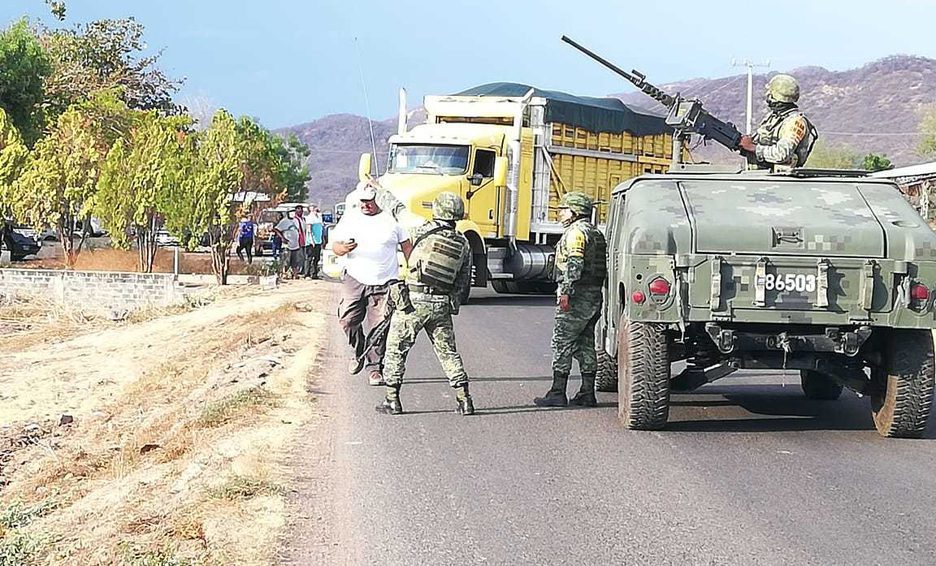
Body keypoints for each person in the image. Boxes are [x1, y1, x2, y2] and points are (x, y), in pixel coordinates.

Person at [378, 192, 474, 416]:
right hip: (440, 304)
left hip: (413, 302)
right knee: (448, 353)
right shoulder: (463, 243)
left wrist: (379, 190)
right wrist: (451, 303)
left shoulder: (421, 229)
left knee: (396, 350)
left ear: (437, 210)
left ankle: (392, 400)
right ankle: (464, 400)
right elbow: (462, 280)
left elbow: (398, 210)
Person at [331, 182, 412, 386]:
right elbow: (335, 247)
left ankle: (375, 368)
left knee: (378, 327)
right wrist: (343, 248)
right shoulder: (350, 217)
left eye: (370, 201)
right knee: (347, 320)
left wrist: (414, 272)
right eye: (363, 201)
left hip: (385, 281)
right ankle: (359, 352)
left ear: (378, 199)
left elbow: (407, 246)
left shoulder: (392, 219)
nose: (366, 205)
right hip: (355, 279)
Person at [534, 192, 607, 408]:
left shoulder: (576, 233)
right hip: (593, 296)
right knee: (586, 344)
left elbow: (575, 264)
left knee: (561, 343)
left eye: (564, 210)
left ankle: (557, 392)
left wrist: (566, 291)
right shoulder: (595, 233)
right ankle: (587, 393)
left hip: (577, 297)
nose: (560, 214)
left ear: (575, 212)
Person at [739, 74, 818, 170]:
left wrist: (754, 148)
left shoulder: (795, 122)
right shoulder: (773, 118)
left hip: (781, 180)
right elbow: (758, 140)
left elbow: (782, 154)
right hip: (763, 176)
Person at [274, 209, 304, 278]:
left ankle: (295, 274)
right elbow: (276, 229)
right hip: (287, 245)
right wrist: (282, 238)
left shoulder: (296, 221)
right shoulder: (284, 221)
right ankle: (285, 274)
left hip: (296, 244)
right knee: (286, 260)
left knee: (295, 261)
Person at [306, 206, 324, 279]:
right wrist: (311, 240)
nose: (316, 211)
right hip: (311, 242)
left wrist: (322, 239)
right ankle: (307, 274)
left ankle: (314, 274)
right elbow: (309, 230)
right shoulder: (309, 218)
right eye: (313, 209)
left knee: (317, 258)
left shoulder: (319, 217)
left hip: (318, 241)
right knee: (309, 258)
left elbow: (321, 229)